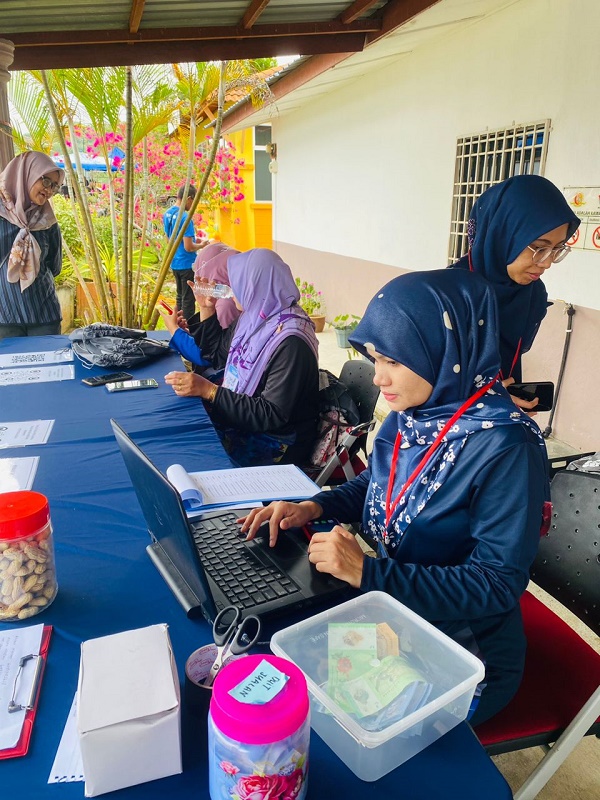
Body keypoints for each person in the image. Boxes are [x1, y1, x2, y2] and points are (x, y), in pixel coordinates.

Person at [240, 268, 549, 726]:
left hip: (461, 653)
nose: (379, 378)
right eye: (373, 359)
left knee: (326, 725)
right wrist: (314, 506)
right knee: (276, 668)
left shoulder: (506, 448)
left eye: (394, 362)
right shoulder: (415, 415)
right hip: (395, 615)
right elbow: (378, 483)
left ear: (446, 352)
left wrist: (369, 572)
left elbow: (496, 584)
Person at [163, 248, 320, 468]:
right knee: (179, 433)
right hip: (247, 421)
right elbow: (218, 357)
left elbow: (271, 415)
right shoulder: (254, 317)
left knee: (189, 454)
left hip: (277, 443)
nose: (232, 289)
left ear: (255, 285)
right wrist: (206, 308)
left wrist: (210, 391)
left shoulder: (291, 342)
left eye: (237, 282)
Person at [450, 175, 580, 398]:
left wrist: (505, 399)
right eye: (539, 248)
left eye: (557, 248)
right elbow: (412, 389)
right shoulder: (447, 294)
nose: (547, 263)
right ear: (500, 235)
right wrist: (486, 400)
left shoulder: (532, 292)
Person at [0, 151, 65, 339]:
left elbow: (55, 266)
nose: (50, 190)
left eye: (55, 186)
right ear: (26, 173)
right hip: (4, 319)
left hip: (45, 317)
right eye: (46, 181)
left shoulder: (48, 221)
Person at [163, 185, 209, 322]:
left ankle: (178, 324)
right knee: (188, 299)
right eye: (194, 201)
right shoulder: (185, 217)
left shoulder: (168, 213)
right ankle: (187, 327)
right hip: (186, 263)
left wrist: (193, 241)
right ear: (189, 198)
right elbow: (188, 247)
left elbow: (168, 239)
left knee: (179, 296)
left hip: (175, 262)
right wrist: (202, 245)